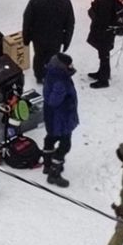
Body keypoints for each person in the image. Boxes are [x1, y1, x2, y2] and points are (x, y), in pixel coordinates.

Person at [22, 0, 75, 84]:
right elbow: (70, 24)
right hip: (56, 38)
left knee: (39, 56)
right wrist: (66, 41)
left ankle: (39, 75)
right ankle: (50, 75)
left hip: (38, 37)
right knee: (53, 57)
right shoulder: (65, 2)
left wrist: (26, 37)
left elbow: (27, 19)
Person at [42, 53, 79, 188]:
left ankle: (47, 164)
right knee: (65, 145)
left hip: (52, 117)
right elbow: (54, 100)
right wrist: (65, 98)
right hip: (61, 118)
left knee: (50, 138)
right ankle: (54, 173)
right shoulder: (61, 80)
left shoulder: (52, 73)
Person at [87, 0, 119, 89]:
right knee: (103, 54)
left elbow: (102, 18)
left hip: (104, 32)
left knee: (104, 55)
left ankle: (103, 79)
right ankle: (102, 73)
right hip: (106, 31)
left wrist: (92, 12)